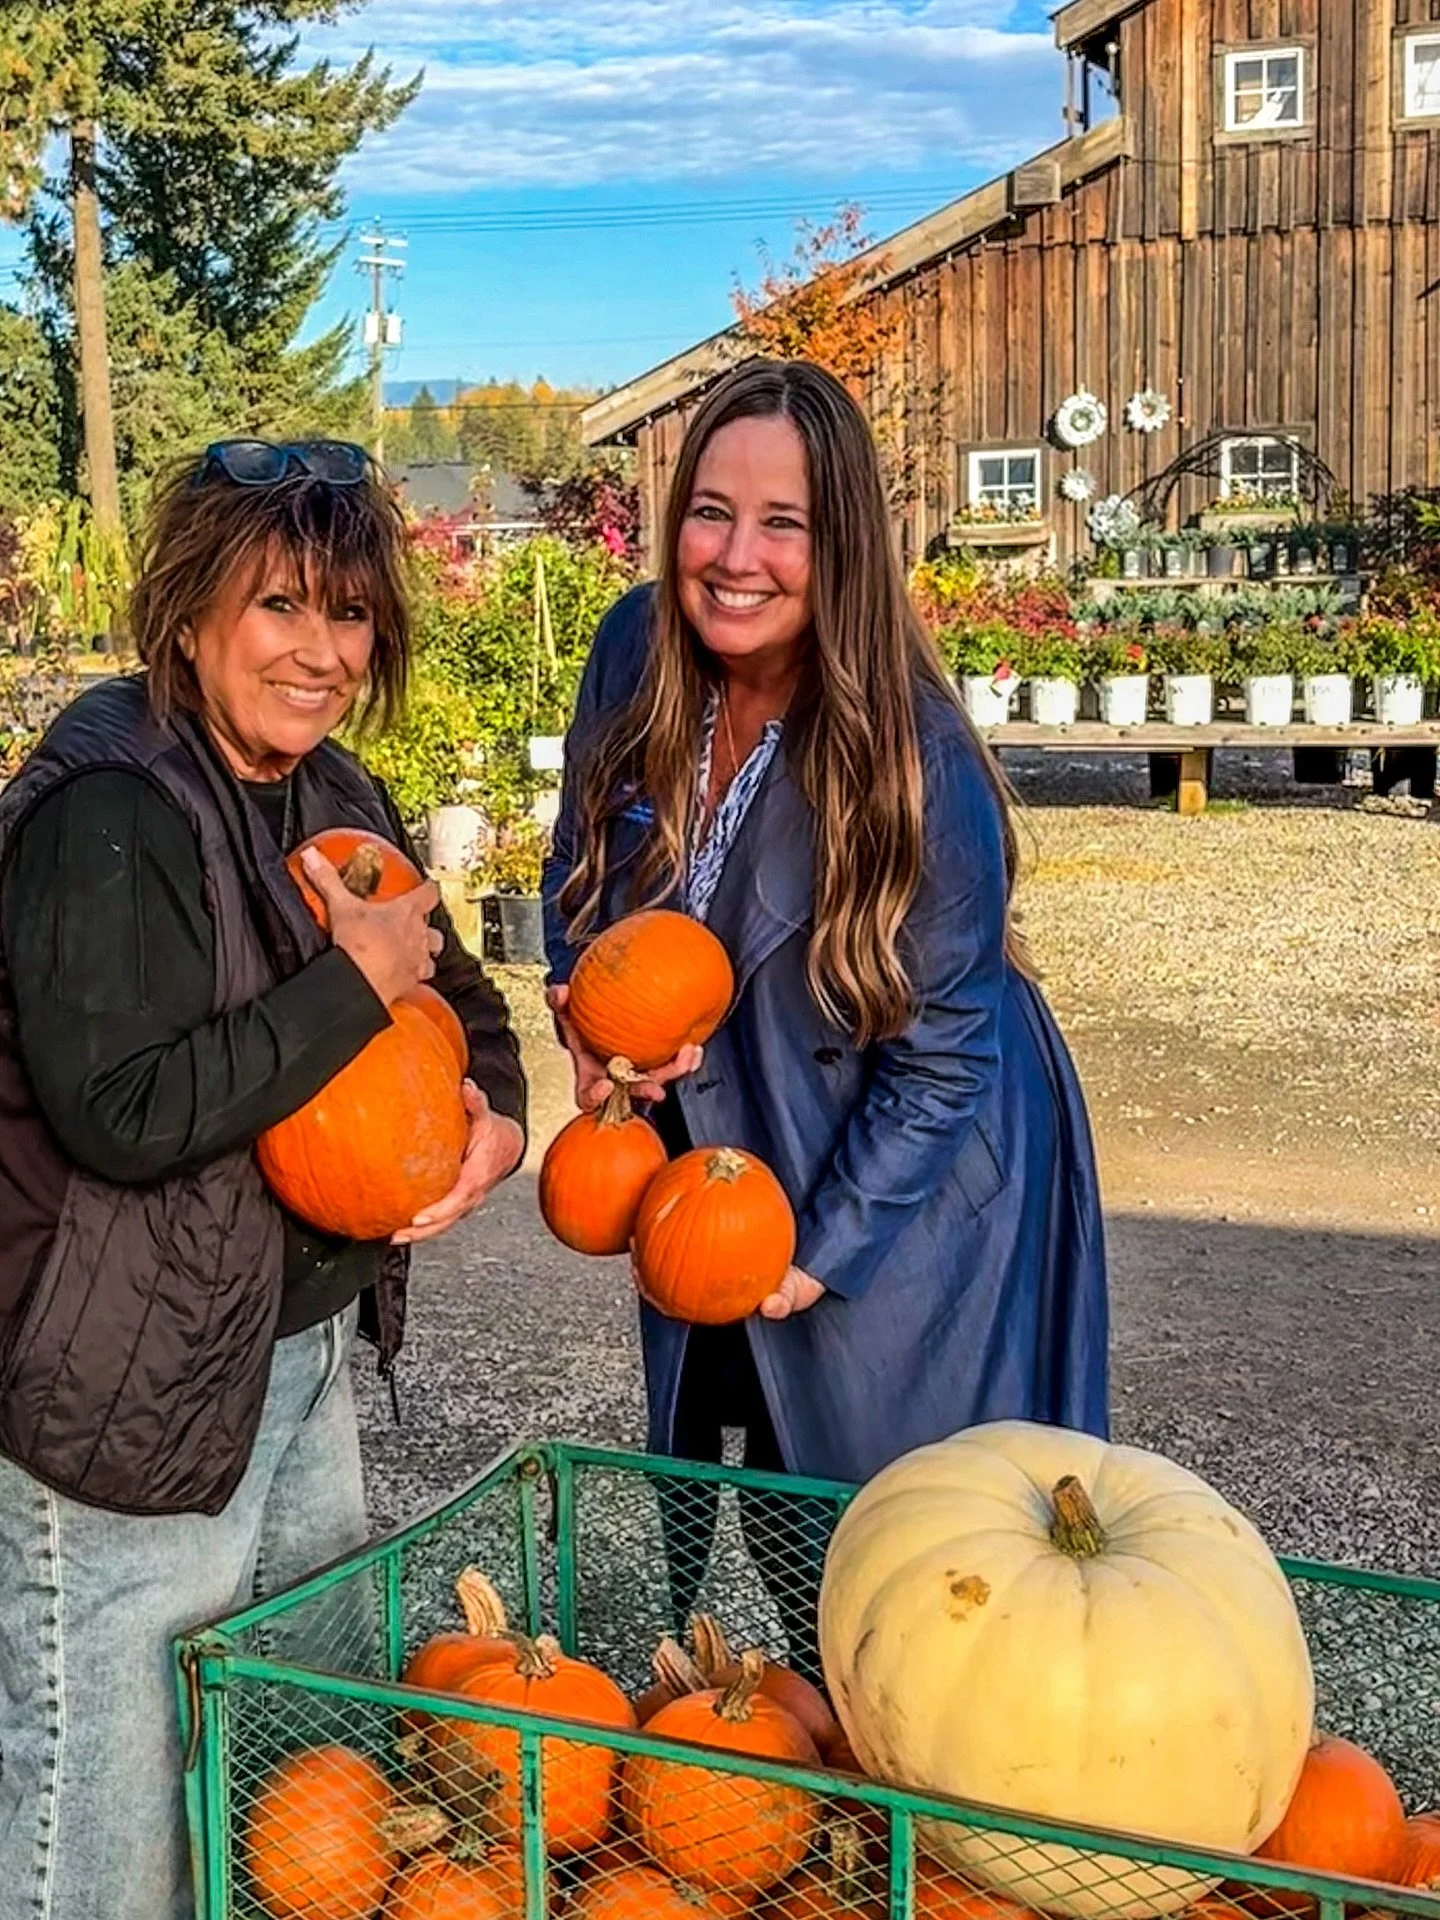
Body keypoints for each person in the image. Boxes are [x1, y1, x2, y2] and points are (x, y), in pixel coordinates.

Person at [0, 440, 526, 1920]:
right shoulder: (110, 812)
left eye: (349, 615)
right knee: (103, 1832)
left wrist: (495, 1116)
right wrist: (348, 991)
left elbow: (460, 996)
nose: (320, 652)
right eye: (280, 606)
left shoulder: (330, 785)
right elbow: (121, 1110)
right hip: (119, 1393)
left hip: (294, 1359)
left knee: (301, 1780)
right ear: (189, 615)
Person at [543, 359, 1107, 1674]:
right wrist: (581, 998)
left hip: (904, 1173)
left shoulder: (914, 761)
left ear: (839, 542)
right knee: (740, 1462)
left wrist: (821, 1252)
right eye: (711, 514)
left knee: (908, 1560)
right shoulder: (635, 649)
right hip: (723, 1154)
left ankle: (918, 1811)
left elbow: (945, 1059)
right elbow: (578, 869)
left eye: (782, 524)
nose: (737, 558)